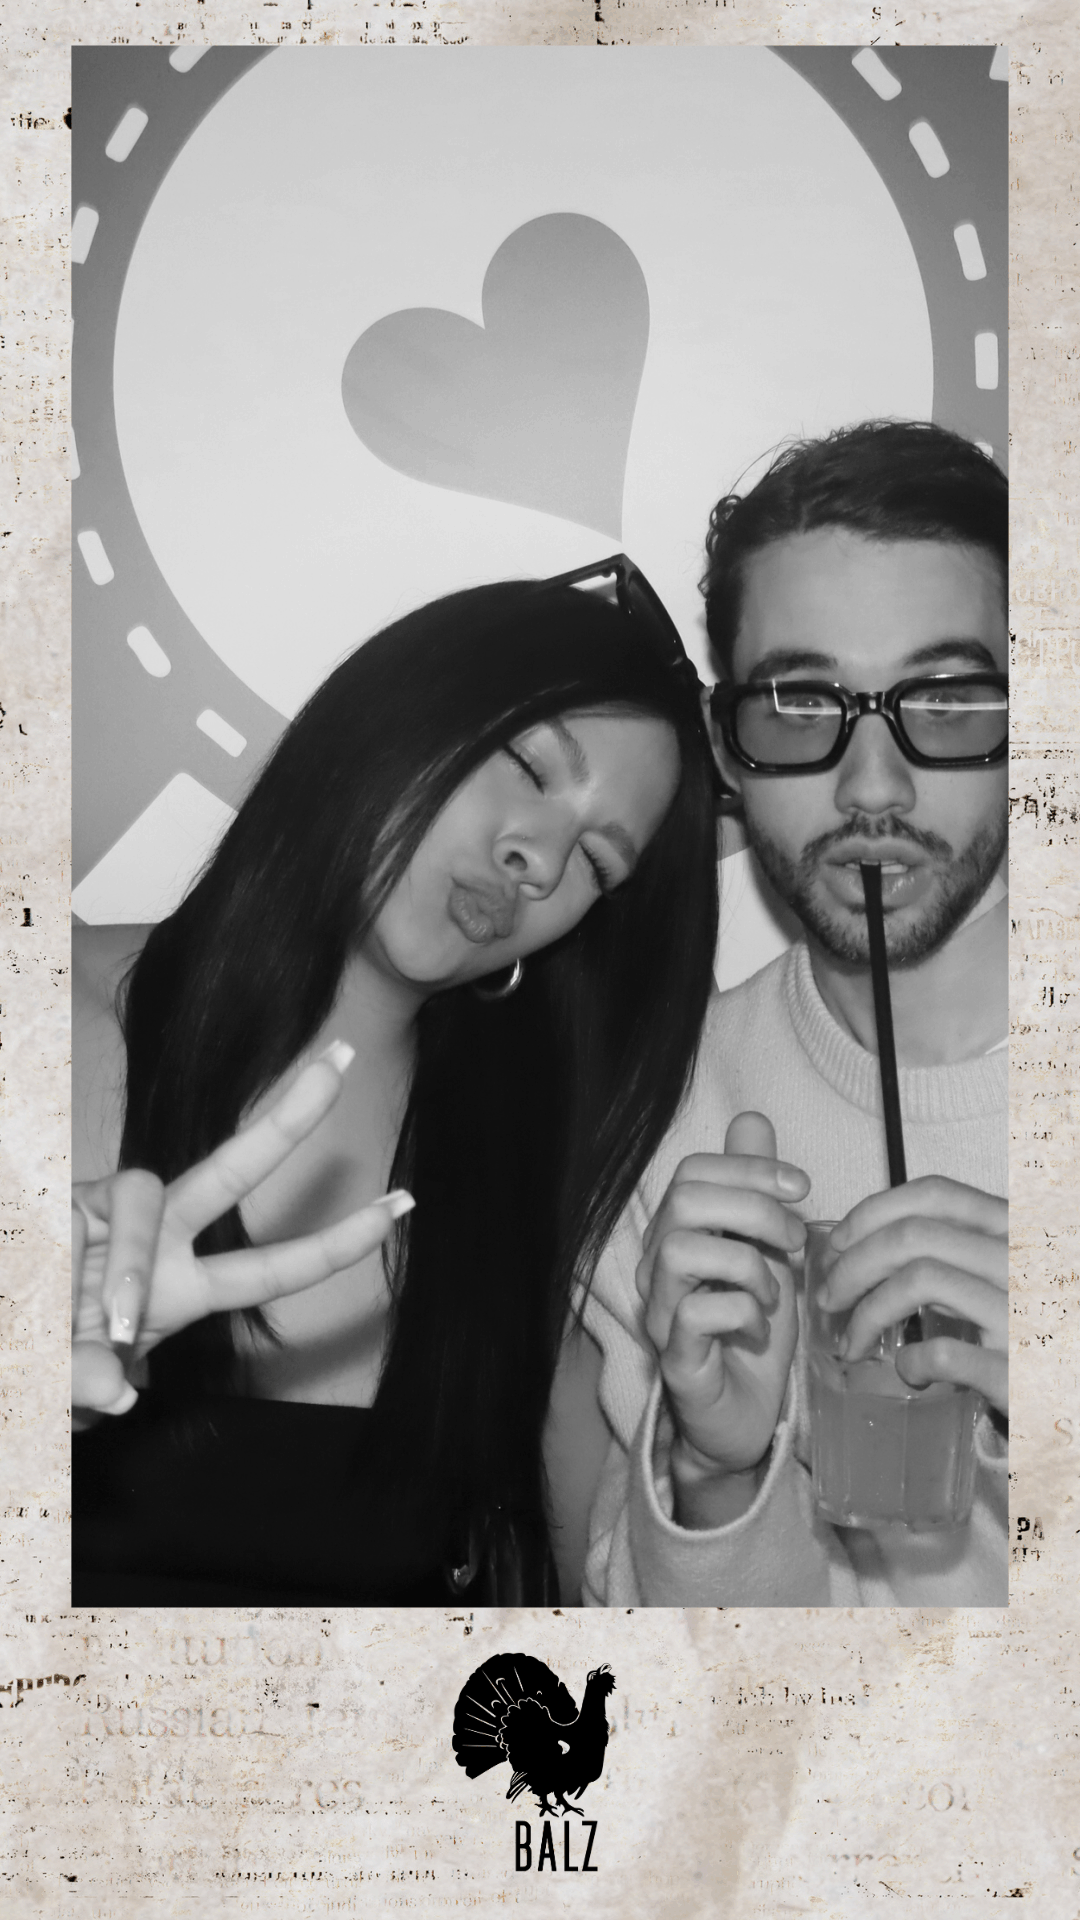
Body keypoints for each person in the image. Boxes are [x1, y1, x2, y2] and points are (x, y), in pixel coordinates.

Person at [72, 562, 721, 1606]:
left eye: (599, 863)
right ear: (394, 715)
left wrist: (717, 1466)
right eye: (528, 765)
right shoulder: (55, 1010)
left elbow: (615, 1611)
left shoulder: (528, 1195)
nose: (540, 861)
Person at [581, 422, 1008, 1607]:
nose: (874, 788)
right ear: (728, 746)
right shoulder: (668, 1133)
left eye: (947, 698)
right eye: (801, 704)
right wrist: (716, 1471)